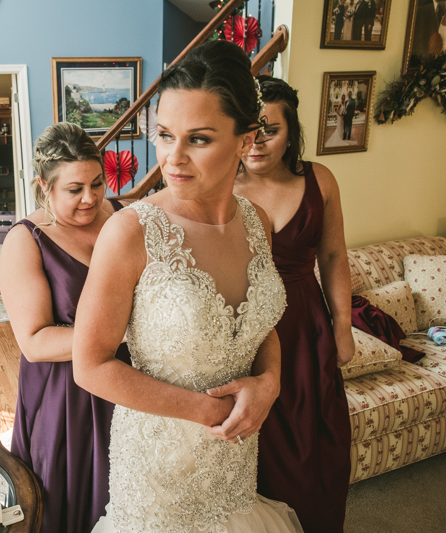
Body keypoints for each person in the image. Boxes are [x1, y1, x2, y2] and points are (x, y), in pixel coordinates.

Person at [74, 41, 303, 533]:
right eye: (164, 135)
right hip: (159, 482)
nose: (172, 158)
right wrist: (207, 411)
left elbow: (257, 328)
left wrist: (269, 383)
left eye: (198, 139)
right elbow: (89, 366)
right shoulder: (131, 231)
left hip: (234, 468)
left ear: (245, 141)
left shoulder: (258, 222)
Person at [234, 76, 353, 533]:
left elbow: (335, 254)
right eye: (250, 129)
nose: (258, 142)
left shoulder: (320, 179)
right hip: (246, 327)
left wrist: (342, 324)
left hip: (306, 325)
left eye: (271, 129)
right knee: (260, 443)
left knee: (318, 441)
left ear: (292, 131)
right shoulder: (222, 185)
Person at [0, 122, 131, 533]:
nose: (90, 198)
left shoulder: (124, 216)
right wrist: (121, 333)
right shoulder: (26, 240)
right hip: (68, 394)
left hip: (132, 382)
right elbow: (35, 341)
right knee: (75, 502)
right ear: (45, 186)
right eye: (74, 190)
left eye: (97, 182)